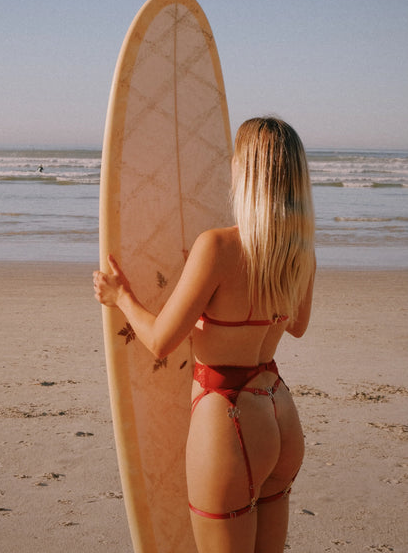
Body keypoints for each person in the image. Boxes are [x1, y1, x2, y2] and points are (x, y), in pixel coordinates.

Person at [93, 116, 316, 553]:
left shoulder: (216, 247)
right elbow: (298, 326)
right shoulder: (300, 252)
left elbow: (159, 340)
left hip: (227, 419)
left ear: (246, 173)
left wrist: (121, 297)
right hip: (280, 414)